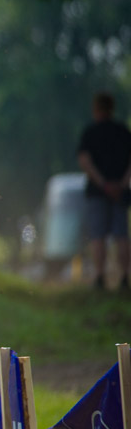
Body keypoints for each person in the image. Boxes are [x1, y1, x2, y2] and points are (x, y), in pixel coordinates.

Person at [77, 92, 131, 290]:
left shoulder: (90, 133)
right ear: (112, 108)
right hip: (120, 191)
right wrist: (122, 183)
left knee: (98, 236)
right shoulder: (123, 131)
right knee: (121, 235)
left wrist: (103, 184)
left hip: (97, 192)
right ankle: (125, 278)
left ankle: (100, 277)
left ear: (96, 109)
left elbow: (85, 161)